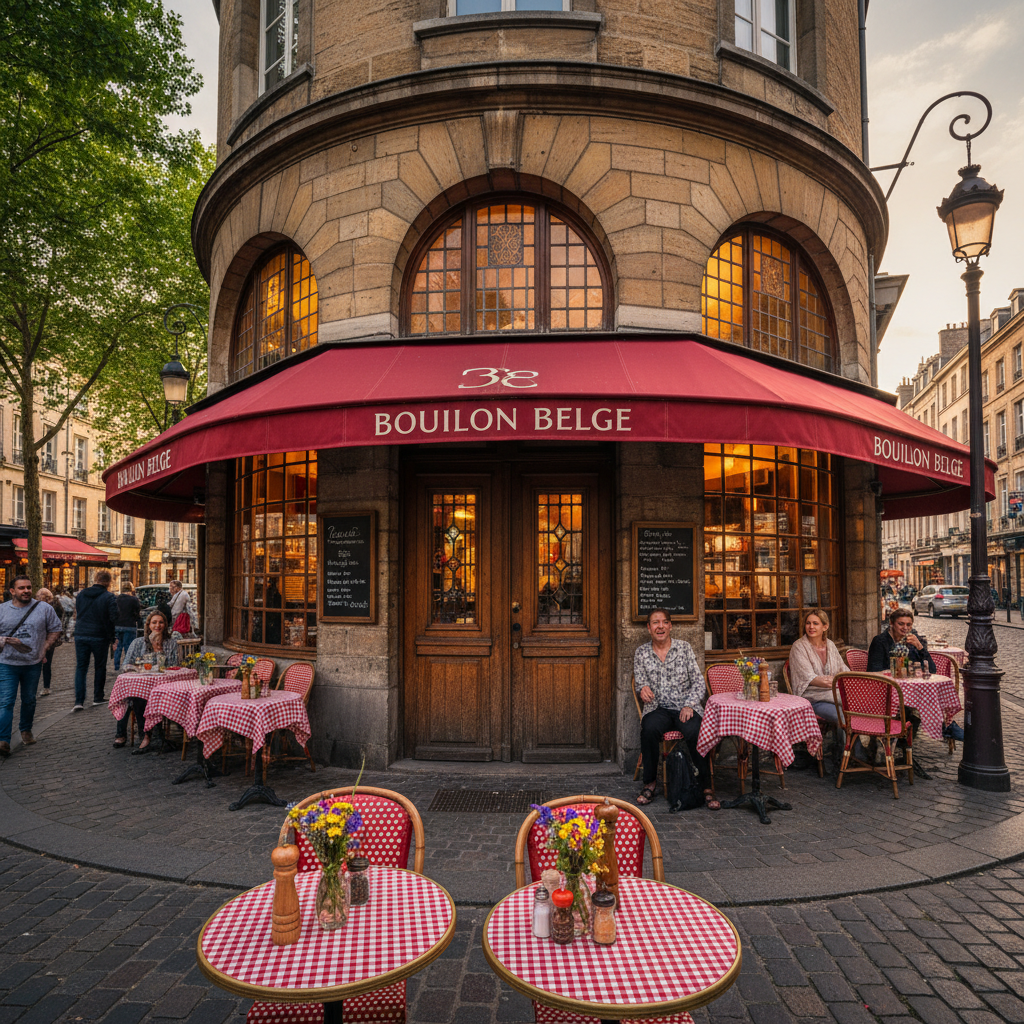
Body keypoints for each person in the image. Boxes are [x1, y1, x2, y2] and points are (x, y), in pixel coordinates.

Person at [633, 608, 715, 810]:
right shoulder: (641, 653)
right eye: (655, 622)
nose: (659, 626)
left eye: (664, 622)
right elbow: (640, 681)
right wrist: (642, 688)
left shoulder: (684, 648)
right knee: (649, 728)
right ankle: (650, 783)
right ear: (648, 628)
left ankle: (706, 786)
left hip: (683, 706)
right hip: (658, 707)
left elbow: (698, 683)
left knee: (695, 730)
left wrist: (689, 704)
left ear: (670, 625)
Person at [0, 577, 62, 756]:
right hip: (7, 663)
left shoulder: (44, 608)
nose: (26, 591)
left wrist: (44, 648)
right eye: (21, 588)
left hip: (32, 663)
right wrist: (4, 640)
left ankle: (26, 730)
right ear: (12, 591)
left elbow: (56, 629)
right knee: (6, 702)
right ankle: (3, 740)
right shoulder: (2, 609)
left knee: (29, 699)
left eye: (28, 587)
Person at [115, 609, 180, 751]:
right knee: (136, 696)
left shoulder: (171, 643)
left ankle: (149, 736)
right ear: (148, 625)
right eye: (154, 622)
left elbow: (175, 665)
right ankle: (138, 735)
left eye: (161, 622)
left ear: (166, 625)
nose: (158, 625)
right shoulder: (138, 643)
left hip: (164, 687)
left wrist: (158, 650)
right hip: (141, 685)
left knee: (143, 697)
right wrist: (138, 669)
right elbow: (126, 665)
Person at [73, 570, 118, 710]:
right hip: (99, 635)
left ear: (95, 579)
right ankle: (97, 696)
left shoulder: (81, 595)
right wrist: (112, 637)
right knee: (100, 667)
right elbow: (114, 618)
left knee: (81, 667)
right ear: (109, 582)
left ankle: (79, 701)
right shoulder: (109, 597)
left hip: (81, 634)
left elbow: (78, 612)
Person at [36, 588, 65, 697]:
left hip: (49, 638)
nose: (39, 597)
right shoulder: (35, 606)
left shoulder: (54, 607)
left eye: (41, 596)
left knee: (46, 662)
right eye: (38, 596)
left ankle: (46, 686)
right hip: (37, 638)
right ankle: (40, 685)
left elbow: (58, 621)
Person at [114, 583, 141, 671]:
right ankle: (127, 665)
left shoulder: (116, 599)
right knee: (128, 647)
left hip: (117, 625)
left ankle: (116, 665)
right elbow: (137, 613)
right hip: (130, 625)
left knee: (118, 646)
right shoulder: (134, 600)